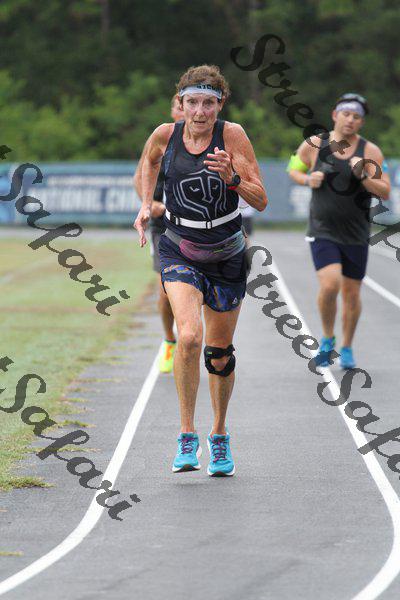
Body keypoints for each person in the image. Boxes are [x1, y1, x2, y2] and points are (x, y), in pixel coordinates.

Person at [134, 65, 267, 476]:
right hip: (180, 248)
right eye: (192, 102)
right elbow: (148, 163)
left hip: (226, 251)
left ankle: (219, 434)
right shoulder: (165, 135)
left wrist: (232, 178)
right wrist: (145, 204)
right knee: (189, 336)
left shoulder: (233, 136)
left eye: (209, 102)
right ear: (181, 102)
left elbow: (260, 199)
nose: (200, 111)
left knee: (219, 353)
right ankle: (186, 434)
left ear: (219, 104)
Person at [288, 93, 391, 369]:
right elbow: (293, 168)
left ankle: (346, 346)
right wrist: (307, 178)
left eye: (357, 117)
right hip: (322, 229)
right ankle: (327, 337)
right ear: (335, 115)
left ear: (361, 122)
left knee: (352, 295)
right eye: (346, 114)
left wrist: (364, 176)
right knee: (330, 284)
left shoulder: (370, 151)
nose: (350, 120)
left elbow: (385, 190)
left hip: (356, 233)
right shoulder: (315, 143)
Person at [134, 95, 184, 373]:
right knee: (166, 290)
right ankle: (169, 340)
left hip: (197, 226)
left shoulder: (212, 139)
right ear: (174, 110)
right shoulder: (161, 138)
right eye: (180, 106)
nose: (188, 111)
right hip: (163, 225)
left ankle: (198, 341)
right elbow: (139, 177)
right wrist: (148, 204)